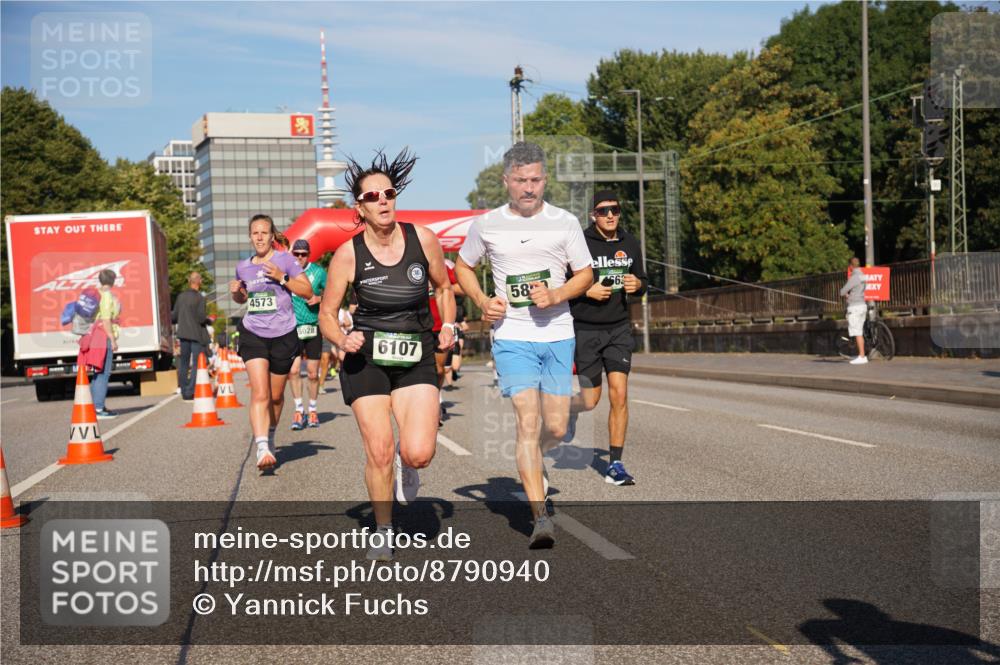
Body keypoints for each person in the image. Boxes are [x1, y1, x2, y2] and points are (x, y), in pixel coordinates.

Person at [319, 148, 455, 562]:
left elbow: (444, 287)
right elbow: (326, 314)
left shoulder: (422, 239)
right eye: (373, 197)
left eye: (389, 194)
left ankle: (407, 465)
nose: (383, 201)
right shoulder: (347, 254)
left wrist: (447, 323)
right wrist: (342, 341)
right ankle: (383, 528)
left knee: (418, 452)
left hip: (415, 353)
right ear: (359, 206)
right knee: (378, 449)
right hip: (367, 359)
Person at [454, 141, 593, 549]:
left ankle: (537, 465)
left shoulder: (564, 222)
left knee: (554, 426)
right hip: (512, 335)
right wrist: (482, 301)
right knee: (527, 423)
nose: (528, 188)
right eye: (520, 181)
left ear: (544, 179)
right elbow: (463, 266)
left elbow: (585, 274)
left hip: (557, 333)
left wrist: (557, 294)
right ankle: (540, 518)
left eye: (535, 180)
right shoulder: (487, 225)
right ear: (506, 181)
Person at [567, 190, 648, 486]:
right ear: (593, 215)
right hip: (586, 329)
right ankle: (570, 411)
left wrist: (638, 283)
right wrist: (586, 290)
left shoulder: (630, 242)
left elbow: (643, 282)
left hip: (618, 328)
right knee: (590, 400)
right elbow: (564, 284)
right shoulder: (580, 243)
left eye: (614, 209)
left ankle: (615, 464)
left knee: (620, 393)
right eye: (603, 211)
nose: (610, 215)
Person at [230, 214, 314, 471]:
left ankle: (272, 433)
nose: (259, 237)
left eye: (264, 232)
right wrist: (237, 294)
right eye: (255, 232)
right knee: (260, 393)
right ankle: (262, 446)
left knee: (276, 398)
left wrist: (282, 277)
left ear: (271, 235)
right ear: (250, 236)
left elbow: (307, 291)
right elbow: (244, 300)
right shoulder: (244, 267)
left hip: (283, 334)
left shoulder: (285, 260)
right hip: (253, 333)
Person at [287, 239, 327, 430]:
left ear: (309, 255)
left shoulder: (318, 272)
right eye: (297, 254)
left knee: (312, 374)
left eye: (304, 254)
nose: (300, 257)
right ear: (292, 254)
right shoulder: (286, 272)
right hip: (292, 328)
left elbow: (335, 292)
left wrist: (320, 298)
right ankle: (298, 409)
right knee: (293, 371)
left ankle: (312, 410)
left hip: (312, 327)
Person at [428, 257, 462, 424]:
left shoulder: (445, 264)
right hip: (415, 325)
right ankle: (430, 408)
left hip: (440, 326)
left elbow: (462, 287)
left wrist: (441, 287)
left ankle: (435, 399)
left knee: (439, 370)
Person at [172, 271, 211, 402]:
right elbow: (201, 318)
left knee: (183, 364)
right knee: (196, 364)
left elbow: (174, 316)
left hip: (183, 334)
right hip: (196, 335)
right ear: (199, 281)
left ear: (190, 282)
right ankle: (191, 390)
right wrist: (208, 320)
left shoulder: (180, 297)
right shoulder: (200, 298)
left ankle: (184, 391)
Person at [89, 269, 122, 419]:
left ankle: (96, 406)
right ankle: (99, 408)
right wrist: (113, 339)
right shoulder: (107, 296)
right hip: (103, 336)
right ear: (113, 281)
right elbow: (107, 319)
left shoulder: (96, 293)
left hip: (94, 335)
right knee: (104, 373)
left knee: (98, 372)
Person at [840, 257, 868, 365]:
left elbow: (843, 291)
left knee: (857, 332)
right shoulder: (862, 275)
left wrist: (846, 294)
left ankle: (862, 356)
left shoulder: (854, 277)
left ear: (851, 266)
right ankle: (861, 354)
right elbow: (859, 289)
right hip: (862, 305)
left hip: (855, 307)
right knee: (859, 331)